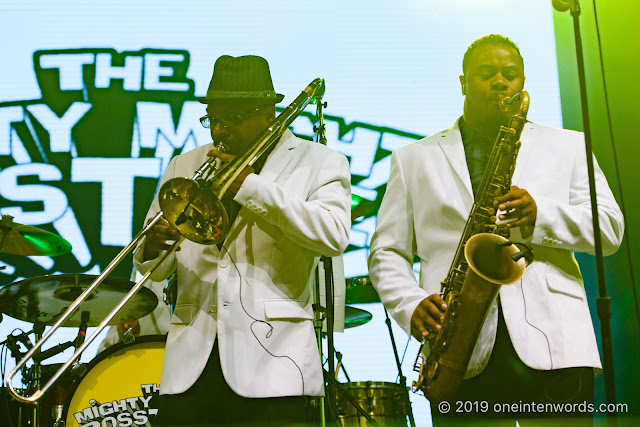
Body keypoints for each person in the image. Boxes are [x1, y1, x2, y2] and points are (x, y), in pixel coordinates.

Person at [368, 34, 624, 426]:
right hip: (458, 345)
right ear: (463, 83)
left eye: (511, 74)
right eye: (487, 74)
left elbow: (610, 230)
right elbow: (387, 251)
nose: (501, 82)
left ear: (522, 82)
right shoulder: (412, 159)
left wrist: (542, 216)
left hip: (556, 343)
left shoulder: (569, 146)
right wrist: (410, 303)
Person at [134, 55, 351, 426]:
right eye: (212, 119)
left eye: (230, 119)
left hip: (276, 368)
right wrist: (153, 245)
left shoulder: (320, 162)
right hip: (190, 369)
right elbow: (155, 267)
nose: (218, 131)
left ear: (269, 114)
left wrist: (250, 187)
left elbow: (333, 235)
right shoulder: (183, 164)